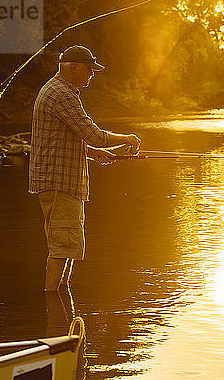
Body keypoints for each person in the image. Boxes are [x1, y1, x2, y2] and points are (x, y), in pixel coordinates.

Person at [29, 45, 141, 292]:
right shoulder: (62, 94)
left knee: (67, 246)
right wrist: (128, 138)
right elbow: (93, 134)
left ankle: (60, 308)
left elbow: (65, 137)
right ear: (74, 68)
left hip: (58, 181)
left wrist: (94, 154)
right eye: (89, 70)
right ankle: (53, 310)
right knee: (61, 247)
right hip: (59, 183)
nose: (92, 75)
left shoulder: (57, 90)